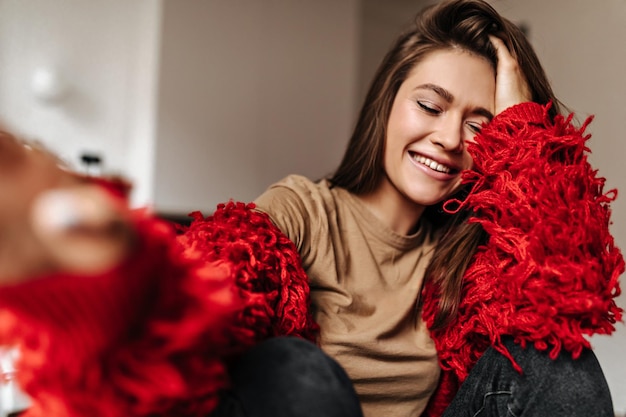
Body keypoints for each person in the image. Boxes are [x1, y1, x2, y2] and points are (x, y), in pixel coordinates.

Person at [0, 0, 622, 416]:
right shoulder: (302, 211)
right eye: (430, 107)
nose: (450, 139)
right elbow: (213, 288)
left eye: (480, 124)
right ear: (388, 102)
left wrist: (523, 128)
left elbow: (570, 289)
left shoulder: (475, 258)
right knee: (294, 369)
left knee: (558, 363)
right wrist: (107, 281)